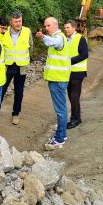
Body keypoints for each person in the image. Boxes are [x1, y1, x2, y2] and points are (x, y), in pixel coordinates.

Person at [36, 17, 71, 150]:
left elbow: (53, 42)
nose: (46, 28)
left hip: (58, 80)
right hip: (57, 79)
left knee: (60, 110)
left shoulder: (59, 38)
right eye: (45, 26)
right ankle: (61, 135)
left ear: (56, 25)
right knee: (61, 109)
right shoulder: (60, 37)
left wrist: (43, 36)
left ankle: (60, 138)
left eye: (48, 25)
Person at [1, 12, 33, 125]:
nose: (18, 23)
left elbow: (31, 47)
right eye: (16, 21)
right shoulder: (4, 32)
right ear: (11, 22)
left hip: (22, 66)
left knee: (19, 91)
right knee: (2, 89)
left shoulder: (27, 31)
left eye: (20, 21)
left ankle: (15, 114)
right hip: (7, 66)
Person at [63, 20, 88, 129]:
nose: (66, 30)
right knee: (71, 96)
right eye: (65, 28)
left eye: (68, 28)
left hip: (78, 73)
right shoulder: (66, 39)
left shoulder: (80, 38)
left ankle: (75, 119)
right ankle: (76, 117)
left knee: (74, 97)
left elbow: (84, 54)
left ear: (74, 28)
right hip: (69, 72)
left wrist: (70, 61)